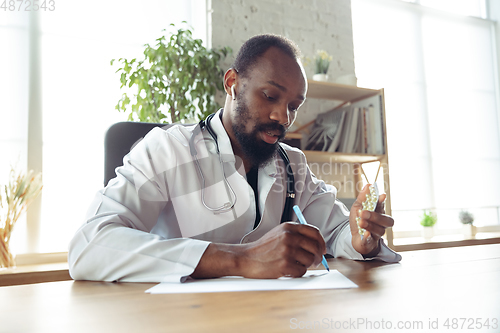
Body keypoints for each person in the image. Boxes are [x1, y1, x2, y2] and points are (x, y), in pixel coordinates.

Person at [68, 34, 401, 283]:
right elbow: (89, 246)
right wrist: (241, 259)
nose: (283, 117)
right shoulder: (166, 149)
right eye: (270, 96)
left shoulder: (292, 164)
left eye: (293, 106)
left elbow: (340, 230)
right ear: (232, 84)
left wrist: (362, 239)